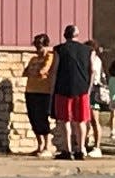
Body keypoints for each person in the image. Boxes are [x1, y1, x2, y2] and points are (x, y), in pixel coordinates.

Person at [49, 24, 92, 160]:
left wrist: (52, 88)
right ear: (77, 35)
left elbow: (54, 70)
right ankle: (81, 149)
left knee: (64, 120)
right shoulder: (88, 50)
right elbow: (92, 70)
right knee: (81, 121)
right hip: (82, 89)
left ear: (65, 35)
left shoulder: (59, 49)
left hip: (63, 89)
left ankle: (67, 150)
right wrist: (88, 88)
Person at [22, 33, 54, 156]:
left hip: (44, 91)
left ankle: (47, 145)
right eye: (36, 46)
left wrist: (34, 71)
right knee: (33, 118)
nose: (38, 49)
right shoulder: (33, 59)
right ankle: (39, 144)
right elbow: (25, 72)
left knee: (42, 118)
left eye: (39, 46)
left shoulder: (49, 57)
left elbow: (43, 71)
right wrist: (34, 71)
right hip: (30, 90)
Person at [86, 39, 105, 158]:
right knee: (85, 119)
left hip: (94, 89)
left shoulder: (95, 60)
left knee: (94, 119)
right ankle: (86, 143)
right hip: (88, 88)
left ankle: (97, 147)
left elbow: (93, 74)